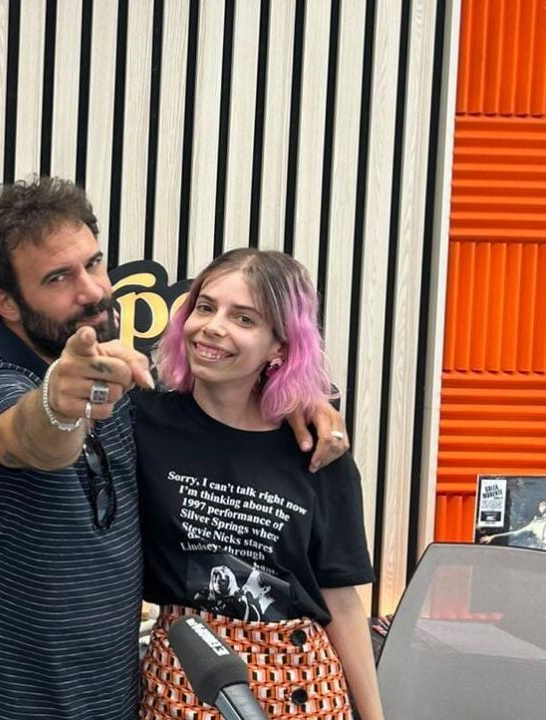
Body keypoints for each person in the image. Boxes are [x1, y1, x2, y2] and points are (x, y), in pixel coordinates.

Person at [0, 178, 349, 720]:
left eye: (94, 263)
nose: (91, 290)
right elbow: (29, 437)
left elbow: (227, 407)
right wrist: (59, 405)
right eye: (59, 277)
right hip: (0, 706)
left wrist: (302, 401)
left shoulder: (129, 391)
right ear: (5, 302)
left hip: (118, 702)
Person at [135, 248, 383, 720]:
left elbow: (341, 600)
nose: (213, 326)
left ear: (280, 347)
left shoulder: (316, 449)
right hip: (185, 680)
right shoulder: (142, 423)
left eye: (244, 318)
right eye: (205, 307)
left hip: (304, 686)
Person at [481, 499, 546, 550]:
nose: (542, 504)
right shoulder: (534, 524)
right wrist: (494, 536)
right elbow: (515, 534)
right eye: (541, 503)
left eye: (545, 503)